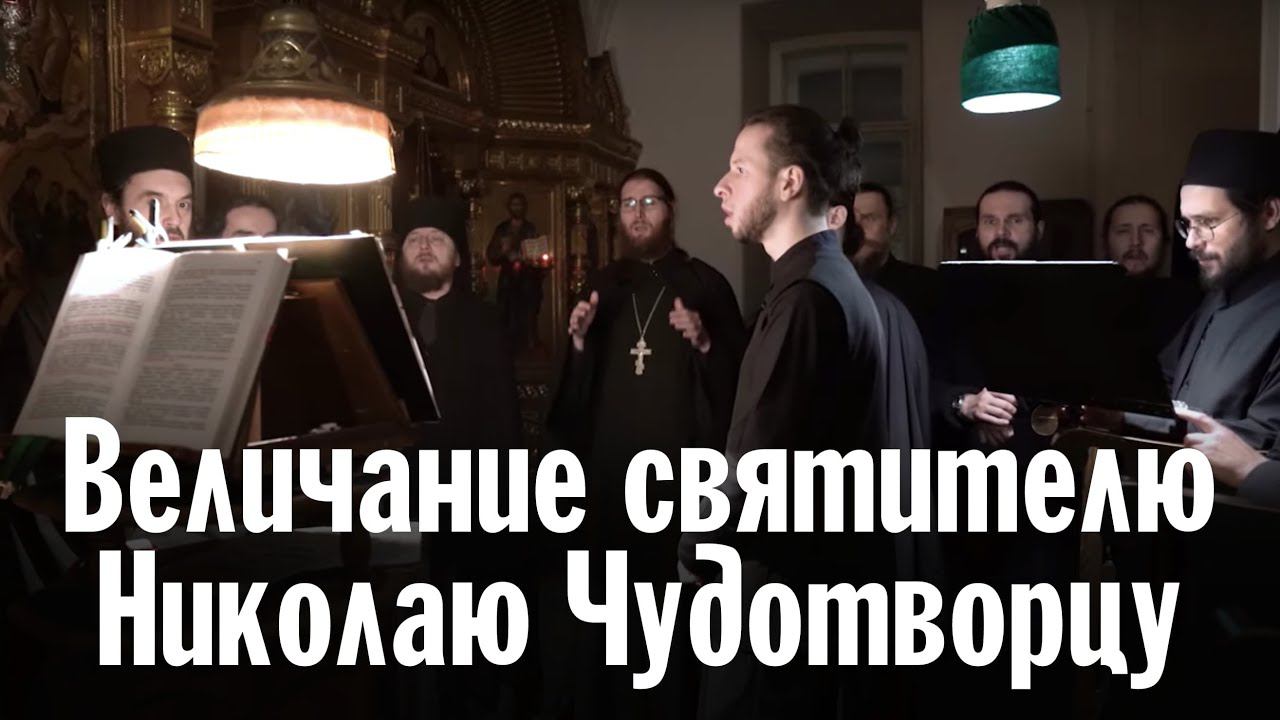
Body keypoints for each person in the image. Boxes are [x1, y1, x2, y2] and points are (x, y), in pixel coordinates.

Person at [680, 105, 888, 720]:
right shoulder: (822, 280)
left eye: (740, 168)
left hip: (779, 602)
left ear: (789, 182)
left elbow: (761, 466)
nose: (720, 185)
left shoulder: (807, 299)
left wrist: (693, 554)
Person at [542, 167, 745, 720]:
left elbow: (739, 384)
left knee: (673, 611)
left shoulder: (705, 285)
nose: (637, 213)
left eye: (649, 202)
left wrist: (705, 343)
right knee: (611, 607)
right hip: (611, 483)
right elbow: (573, 403)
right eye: (628, 203)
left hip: (678, 483)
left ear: (671, 209)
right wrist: (578, 344)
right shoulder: (602, 286)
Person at [391, 196, 526, 719]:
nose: (425, 247)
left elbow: (503, 419)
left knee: (467, 634)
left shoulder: (486, 322)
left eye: (437, 239)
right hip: (394, 496)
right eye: (414, 239)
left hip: (470, 500)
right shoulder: (377, 319)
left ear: (459, 256)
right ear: (399, 253)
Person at [1096, 130, 1280, 450]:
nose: (1192, 242)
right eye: (1187, 225)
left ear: (1269, 214)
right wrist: (1117, 413)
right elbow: (1168, 392)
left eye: (1208, 223)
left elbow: (1260, 442)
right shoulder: (1220, 291)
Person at [1101, 195, 1201, 351]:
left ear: (1165, 242)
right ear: (1106, 241)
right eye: (1123, 231)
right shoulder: (1082, 304)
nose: (1135, 242)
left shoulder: (1191, 304)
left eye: (1148, 231)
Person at [849, 181, 938, 327]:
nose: (857, 229)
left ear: (891, 225)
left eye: (869, 218)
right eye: (850, 220)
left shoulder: (927, 287)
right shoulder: (823, 288)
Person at [486, 192, 545, 352]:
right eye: (514, 204)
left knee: (528, 312)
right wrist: (504, 252)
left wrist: (527, 257)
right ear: (509, 207)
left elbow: (539, 254)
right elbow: (492, 255)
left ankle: (529, 344)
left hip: (528, 277)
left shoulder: (530, 228)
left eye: (519, 204)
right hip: (508, 277)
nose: (517, 208)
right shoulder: (502, 229)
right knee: (506, 311)